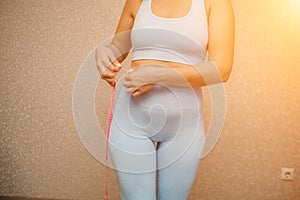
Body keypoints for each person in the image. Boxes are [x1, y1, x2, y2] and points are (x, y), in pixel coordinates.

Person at [95, 0, 235, 199]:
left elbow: (221, 70)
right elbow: (119, 46)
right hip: (131, 121)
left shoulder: (215, 3)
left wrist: (159, 74)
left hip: (184, 127)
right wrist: (105, 53)